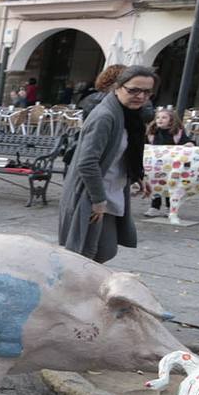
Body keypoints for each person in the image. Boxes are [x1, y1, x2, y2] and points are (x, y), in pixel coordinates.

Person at [58, 66, 155, 262]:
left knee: (103, 250)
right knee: (87, 251)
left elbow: (126, 151)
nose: (140, 96)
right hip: (92, 193)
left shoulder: (129, 115)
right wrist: (98, 200)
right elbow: (87, 163)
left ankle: (84, 280)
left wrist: (138, 175)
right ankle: (75, 281)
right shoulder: (105, 116)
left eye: (146, 92)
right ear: (118, 87)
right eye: (133, 90)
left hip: (112, 190)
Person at [143, 106, 195, 218]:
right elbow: (145, 143)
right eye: (158, 118)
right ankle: (154, 207)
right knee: (155, 185)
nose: (160, 120)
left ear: (171, 121)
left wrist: (189, 144)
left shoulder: (177, 133)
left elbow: (186, 141)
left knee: (171, 185)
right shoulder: (152, 132)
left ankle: (169, 207)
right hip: (156, 166)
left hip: (172, 165)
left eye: (164, 118)